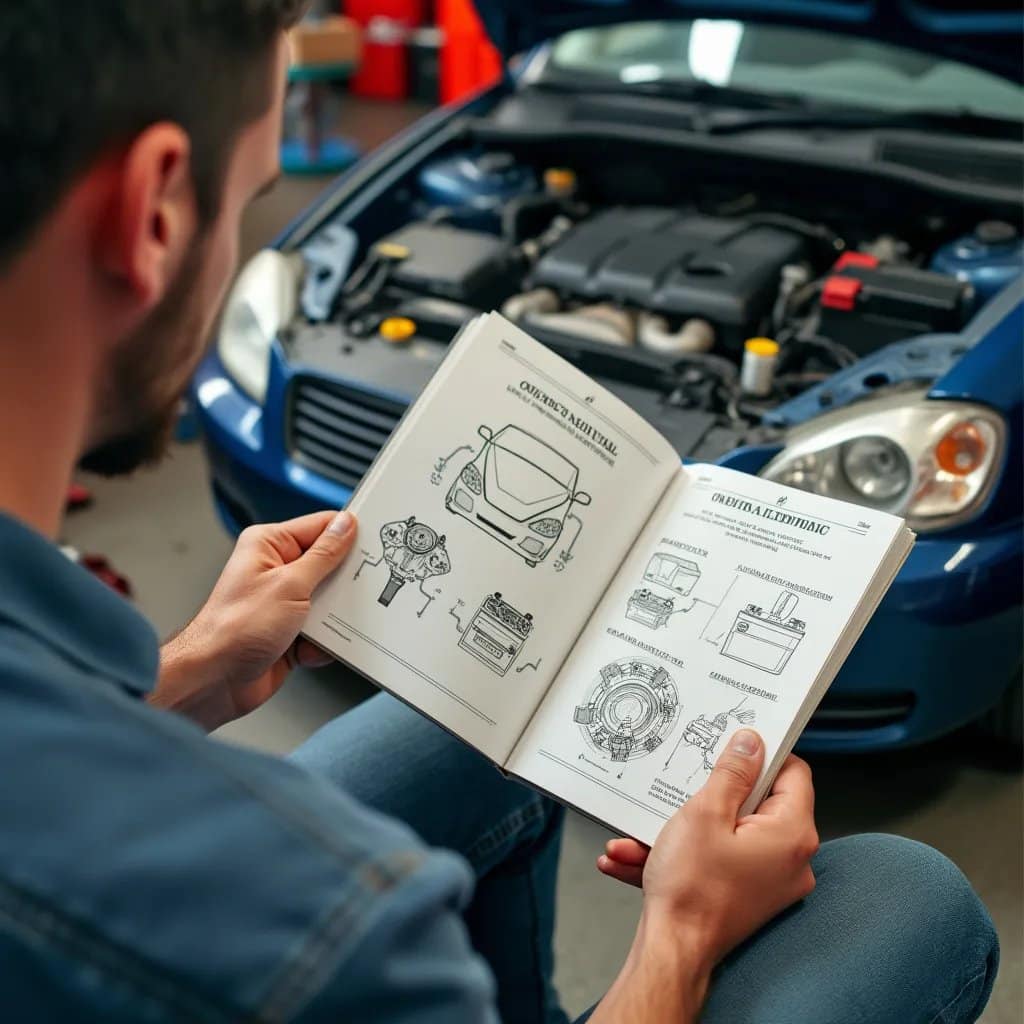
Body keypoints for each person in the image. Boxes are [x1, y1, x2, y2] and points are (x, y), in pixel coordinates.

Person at [0, 3, 998, 1021]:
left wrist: (190, 672)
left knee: (462, 727)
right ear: (155, 212)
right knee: (908, 901)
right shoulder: (330, 934)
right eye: (251, 195)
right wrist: (683, 932)